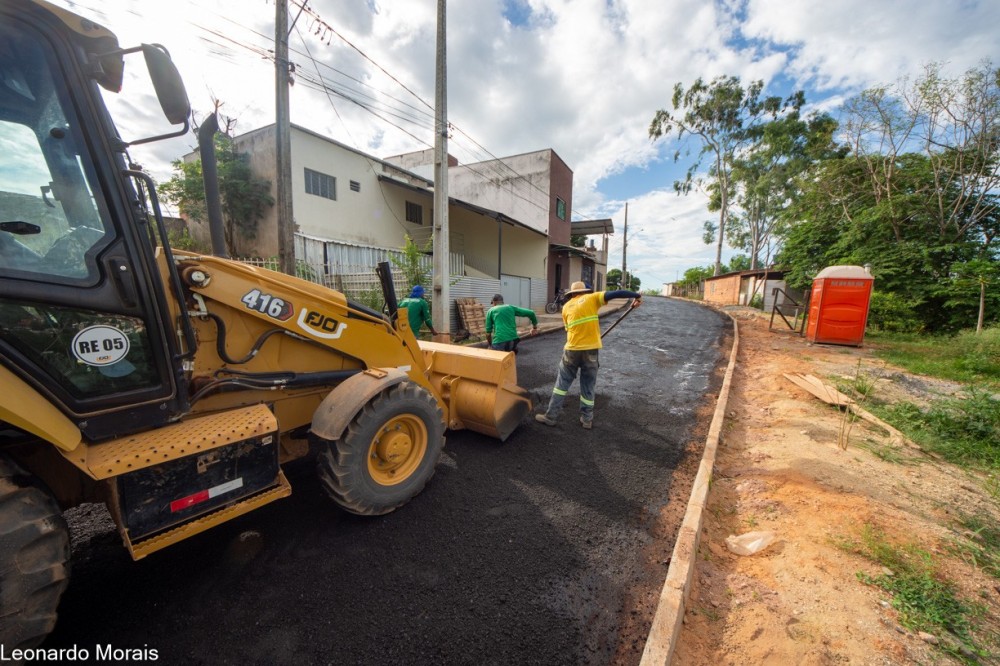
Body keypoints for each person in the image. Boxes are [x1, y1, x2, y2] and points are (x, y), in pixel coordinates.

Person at [535, 280, 641, 430]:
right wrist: (636, 295)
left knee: (562, 384)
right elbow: (617, 293)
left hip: (571, 350)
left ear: (572, 294)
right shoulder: (592, 298)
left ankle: (551, 416)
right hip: (590, 351)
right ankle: (586, 419)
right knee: (588, 385)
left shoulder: (565, 307)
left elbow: (569, 329)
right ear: (584, 291)